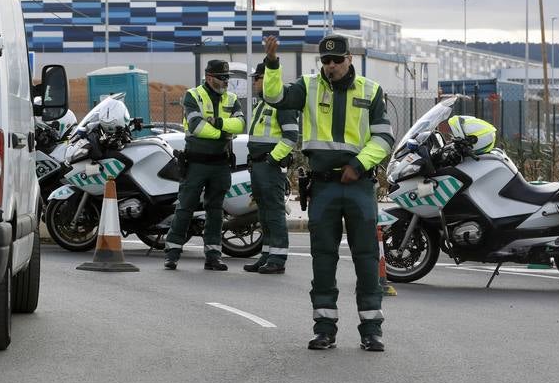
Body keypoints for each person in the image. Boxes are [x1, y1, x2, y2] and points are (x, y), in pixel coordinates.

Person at [262, 33, 395, 351]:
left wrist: (360, 164)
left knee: (365, 259)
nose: (331, 66)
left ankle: (371, 330)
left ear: (350, 59)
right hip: (322, 186)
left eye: (337, 60)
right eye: (326, 60)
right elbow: (275, 97)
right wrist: (271, 63)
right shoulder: (308, 87)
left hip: (359, 185)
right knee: (323, 260)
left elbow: (384, 139)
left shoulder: (371, 90)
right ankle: (324, 328)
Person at [163, 58, 244, 271]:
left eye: (227, 77)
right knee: (185, 207)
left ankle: (213, 255)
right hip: (196, 162)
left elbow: (241, 124)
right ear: (209, 77)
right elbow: (197, 127)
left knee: (216, 210)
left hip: (220, 163)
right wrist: (224, 133)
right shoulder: (193, 95)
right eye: (222, 77)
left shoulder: (232, 98)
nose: (226, 81)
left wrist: (218, 124)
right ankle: (172, 252)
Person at [242, 62, 299, 274]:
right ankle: (266, 255)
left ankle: (278, 257)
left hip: (269, 166)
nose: (254, 83)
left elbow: (291, 137)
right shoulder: (262, 103)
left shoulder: (282, 103)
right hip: (259, 165)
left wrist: (272, 160)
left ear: (266, 79)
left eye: (256, 78)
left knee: (274, 212)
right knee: (264, 213)